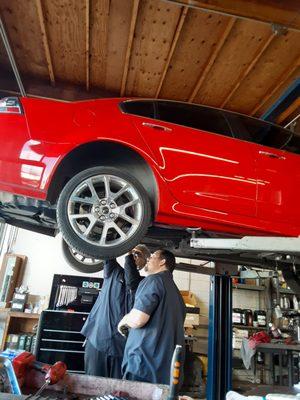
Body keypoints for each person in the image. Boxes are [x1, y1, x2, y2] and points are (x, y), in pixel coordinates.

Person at [81, 244, 150, 379]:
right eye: (132, 252)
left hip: (121, 348)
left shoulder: (144, 284)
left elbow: (132, 280)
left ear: (145, 262)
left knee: (116, 390)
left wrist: (128, 255)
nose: (134, 255)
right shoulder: (113, 272)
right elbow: (108, 254)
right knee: (92, 386)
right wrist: (121, 244)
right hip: (98, 342)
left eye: (139, 254)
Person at [118, 249, 186, 384]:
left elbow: (138, 319)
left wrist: (124, 320)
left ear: (163, 262)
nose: (148, 259)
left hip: (143, 367)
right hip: (166, 372)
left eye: (153, 256)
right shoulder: (177, 295)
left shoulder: (153, 281)